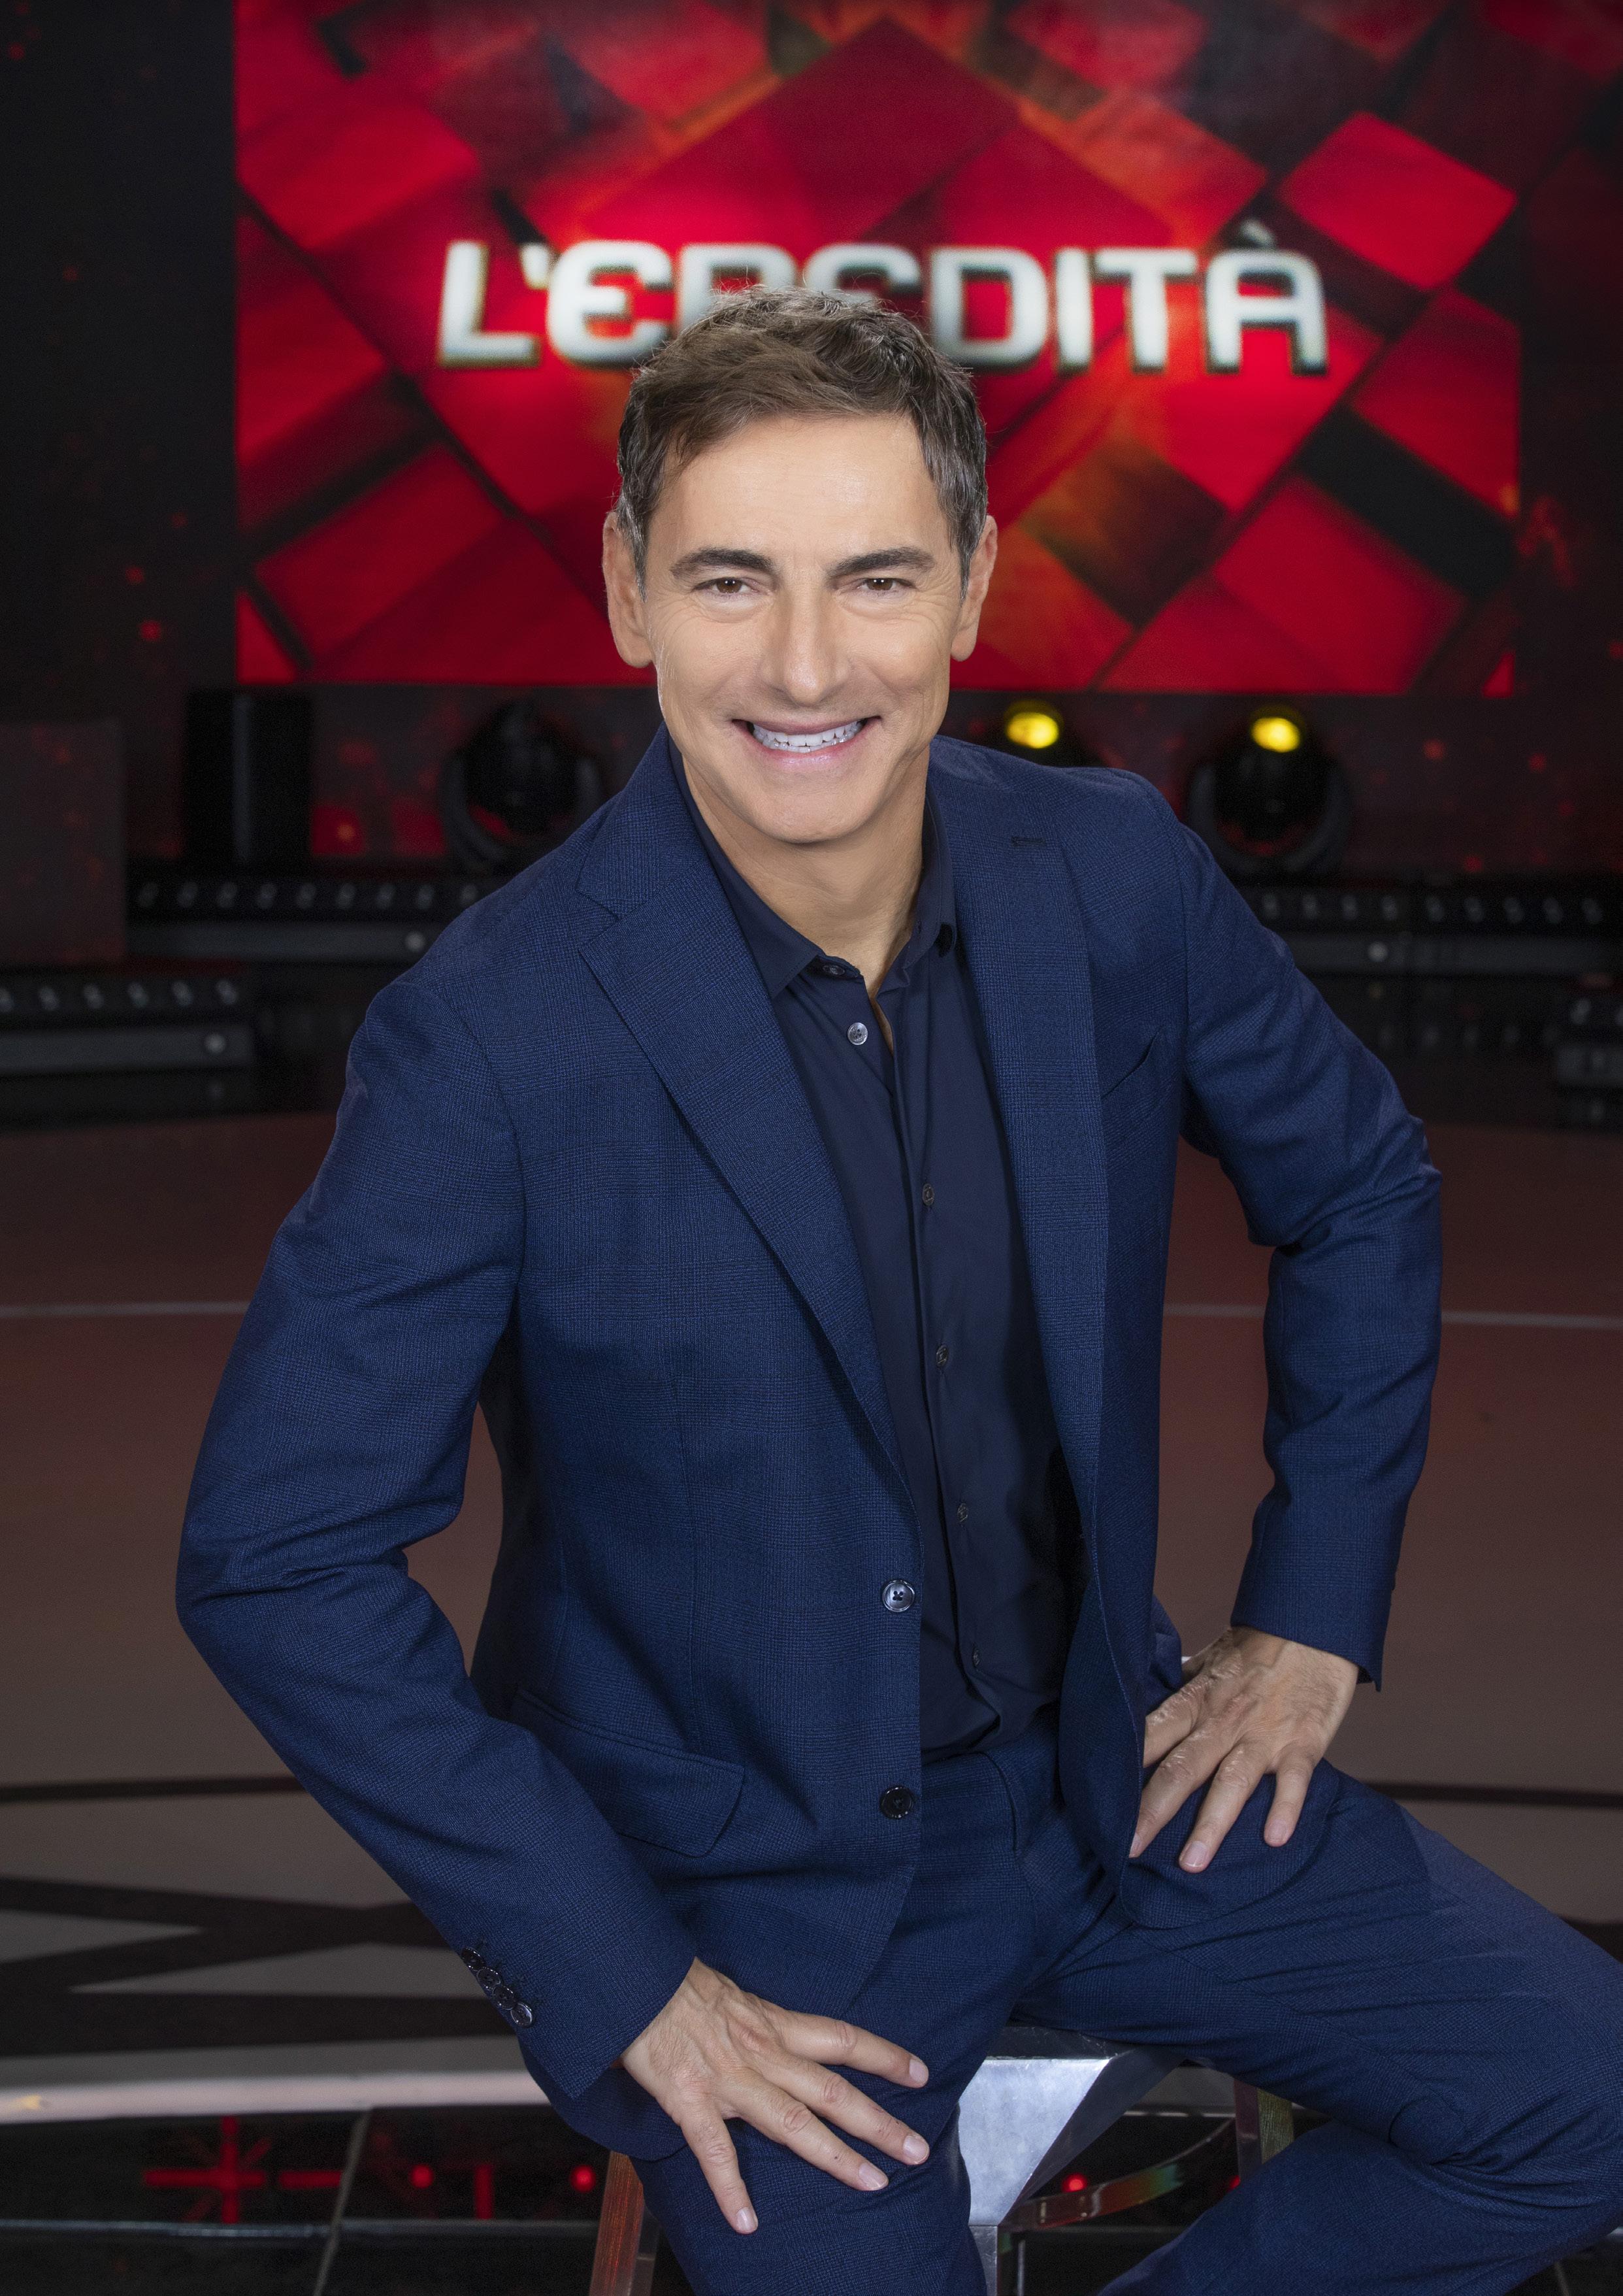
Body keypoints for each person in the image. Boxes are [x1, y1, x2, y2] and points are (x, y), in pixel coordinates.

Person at [178, 289, 1623, 2295]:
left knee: (1581, 2095)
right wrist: (625, 1978)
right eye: (729, 580)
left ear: (970, 586)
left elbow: (1361, 1178)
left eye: (871, 577)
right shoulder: (488, 1036)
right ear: (627, 590)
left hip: (1113, 1782)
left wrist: (1309, 1611)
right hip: (749, 1909)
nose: (802, 664)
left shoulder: (1110, 877)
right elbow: (273, 1557)